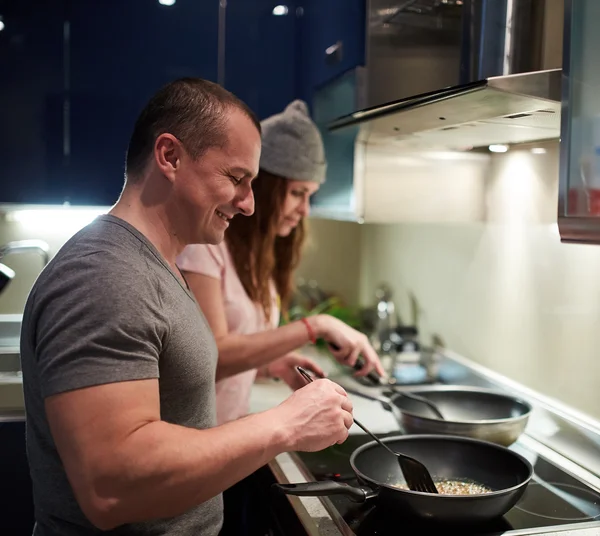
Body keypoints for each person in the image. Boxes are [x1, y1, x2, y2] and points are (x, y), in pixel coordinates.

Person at [19, 79, 354, 536]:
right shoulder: (105, 276)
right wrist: (287, 423)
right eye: (237, 179)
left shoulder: (155, 265)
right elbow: (112, 485)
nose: (250, 204)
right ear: (170, 157)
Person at [176, 100, 385, 533]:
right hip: (200, 451)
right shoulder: (205, 245)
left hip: (234, 447)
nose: (304, 209)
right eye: (296, 193)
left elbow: (237, 347)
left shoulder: (257, 258)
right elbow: (213, 352)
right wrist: (315, 326)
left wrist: (275, 365)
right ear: (265, 185)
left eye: (310, 194)